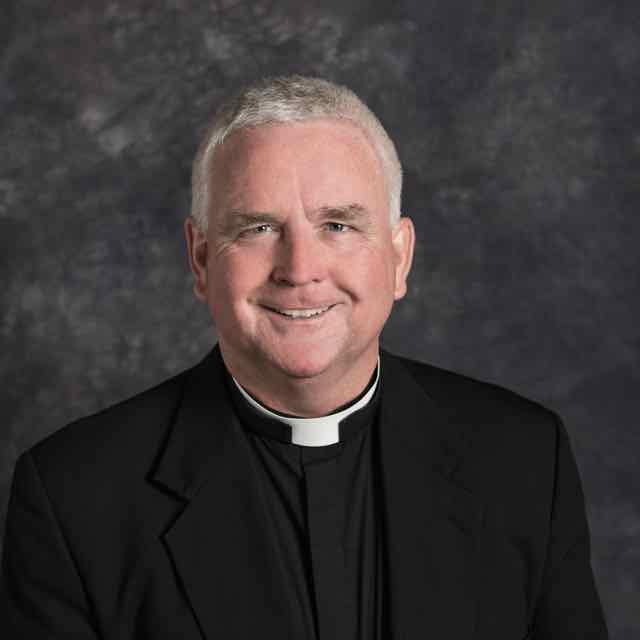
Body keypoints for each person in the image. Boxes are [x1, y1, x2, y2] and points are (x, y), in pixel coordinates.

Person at [1, 75, 608, 639]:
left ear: (399, 257)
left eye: (338, 225)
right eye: (258, 228)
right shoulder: (75, 499)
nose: (299, 269)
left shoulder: (525, 460)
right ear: (201, 259)